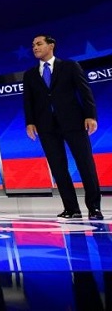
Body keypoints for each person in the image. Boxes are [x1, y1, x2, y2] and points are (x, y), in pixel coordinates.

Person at [23, 35, 103, 220]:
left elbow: (85, 91)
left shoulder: (70, 66)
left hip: (74, 122)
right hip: (46, 127)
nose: (35, 47)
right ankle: (71, 209)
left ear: (51, 46)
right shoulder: (30, 74)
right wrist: (30, 122)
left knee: (85, 165)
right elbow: (28, 101)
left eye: (39, 44)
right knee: (58, 168)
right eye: (33, 45)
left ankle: (94, 208)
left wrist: (90, 115)